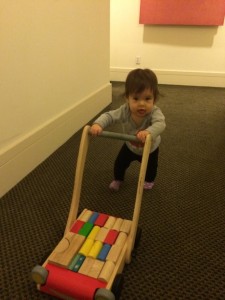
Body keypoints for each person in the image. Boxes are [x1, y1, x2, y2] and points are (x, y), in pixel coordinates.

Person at [90, 68, 166, 191]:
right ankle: (118, 179)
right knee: (120, 163)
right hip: (130, 146)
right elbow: (109, 116)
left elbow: (160, 124)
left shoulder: (154, 112)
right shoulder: (124, 110)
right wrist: (99, 124)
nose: (142, 104)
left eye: (147, 99)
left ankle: (149, 180)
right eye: (136, 98)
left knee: (150, 167)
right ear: (127, 98)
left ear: (155, 99)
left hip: (150, 148)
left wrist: (148, 132)